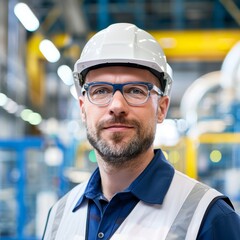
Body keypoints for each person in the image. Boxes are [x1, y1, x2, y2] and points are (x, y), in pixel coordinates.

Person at [43, 23, 240, 240]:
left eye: (136, 91)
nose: (117, 105)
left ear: (162, 108)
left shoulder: (209, 219)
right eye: (100, 91)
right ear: (83, 109)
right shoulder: (58, 217)